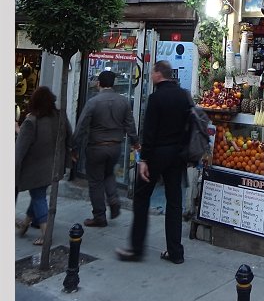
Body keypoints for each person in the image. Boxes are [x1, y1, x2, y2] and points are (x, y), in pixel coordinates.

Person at [116, 60, 191, 264]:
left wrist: (144, 159)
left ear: (159, 74)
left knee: (141, 198)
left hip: (157, 154)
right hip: (177, 155)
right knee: (174, 202)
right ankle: (176, 252)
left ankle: (136, 249)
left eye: (152, 72)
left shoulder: (156, 98)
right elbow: (189, 127)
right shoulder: (184, 96)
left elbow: (149, 132)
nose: (150, 76)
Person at [72, 70, 139, 227]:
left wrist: (74, 147)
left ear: (99, 84)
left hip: (96, 147)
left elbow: (81, 126)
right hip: (115, 147)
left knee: (95, 181)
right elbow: (130, 124)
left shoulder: (93, 102)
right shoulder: (122, 101)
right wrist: (135, 142)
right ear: (113, 84)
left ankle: (99, 216)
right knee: (108, 174)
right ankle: (113, 199)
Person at [15, 86, 73, 245]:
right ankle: (25, 225)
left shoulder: (31, 121)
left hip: (35, 169)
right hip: (54, 166)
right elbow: (69, 136)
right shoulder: (59, 116)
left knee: (38, 197)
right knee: (37, 194)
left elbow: (19, 151)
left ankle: (46, 235)